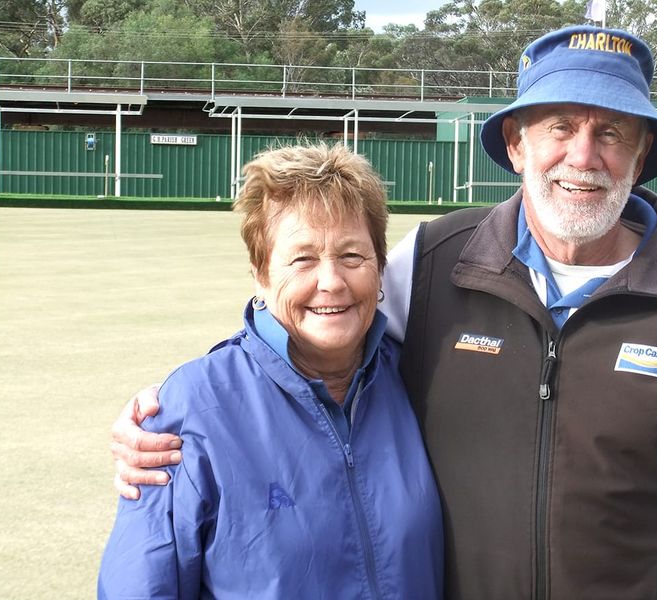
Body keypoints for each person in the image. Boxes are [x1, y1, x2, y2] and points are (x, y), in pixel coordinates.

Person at [110, 26, 657, 599]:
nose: (583, 155)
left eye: (611, 132)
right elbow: (313, 326)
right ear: (517, 144)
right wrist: (184, 411)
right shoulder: (435, 259)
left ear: (641, 155)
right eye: (559, 126)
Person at [98, 143, 444, 598]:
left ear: (380, 269)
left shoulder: (422, 378)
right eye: (302, 259)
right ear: (260, 275)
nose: (331, 281)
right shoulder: (191, 409)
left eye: (352, 256)